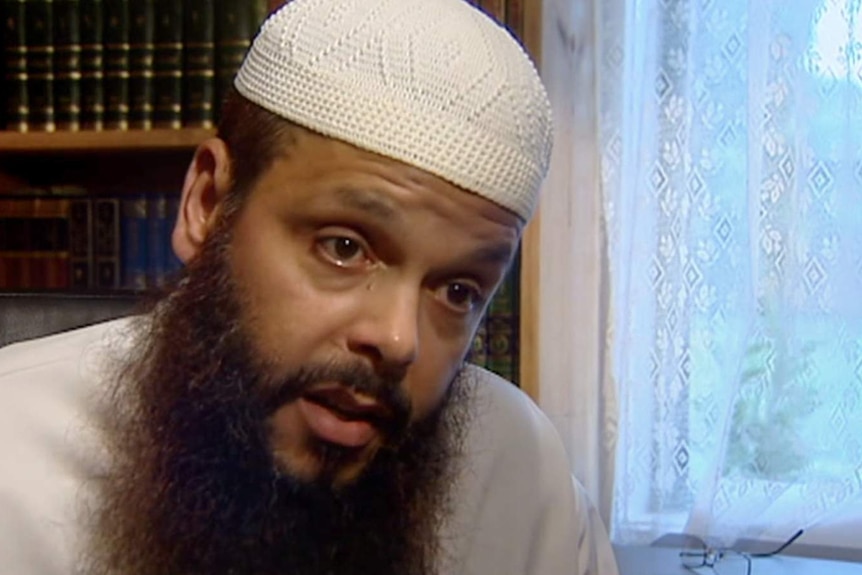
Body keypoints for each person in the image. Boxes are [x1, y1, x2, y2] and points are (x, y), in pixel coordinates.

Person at [0, 0, 618, 574]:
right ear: (207, 204)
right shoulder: (13, 464)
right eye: (344, 248)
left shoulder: (529, 482)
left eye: (457, 290)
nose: (400, 340)